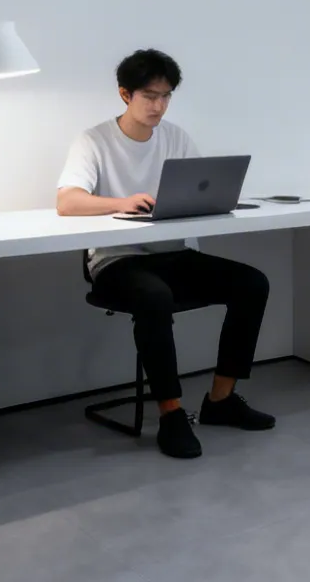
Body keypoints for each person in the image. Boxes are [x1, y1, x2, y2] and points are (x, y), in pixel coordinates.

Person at [56, 48, 275, 459]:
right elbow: (67, 202)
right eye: (149, 96)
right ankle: (172, 414)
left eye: (166, 96)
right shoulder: (94, 141)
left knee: (252, 283)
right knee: (154, 297)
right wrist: (123, 202)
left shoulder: (175, 137)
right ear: (125, 94)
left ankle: (220, 401)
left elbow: (198, 190)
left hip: (172, 254)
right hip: (116, 260)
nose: (159, 105)